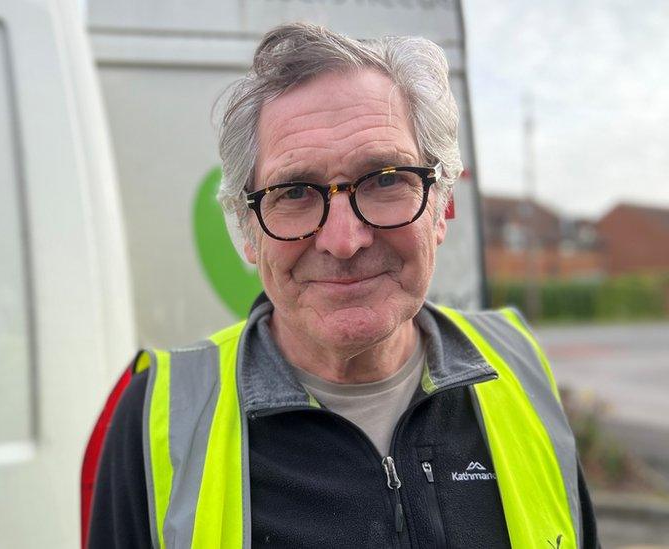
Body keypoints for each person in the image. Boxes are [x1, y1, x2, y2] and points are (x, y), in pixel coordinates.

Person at [84, 22, 598, 548]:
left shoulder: (519, 365)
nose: (344, 240)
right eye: (294, 192)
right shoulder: (159, 417)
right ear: (247, 232)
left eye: (385, 180)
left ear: (443, 206)